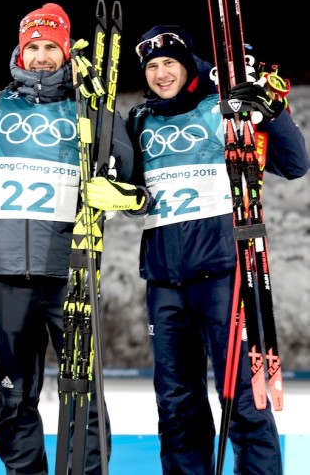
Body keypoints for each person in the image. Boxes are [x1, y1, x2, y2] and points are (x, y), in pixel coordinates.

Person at [87, 24, 310, 474]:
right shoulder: (139, 120)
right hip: (164, 281)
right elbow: (133, 194)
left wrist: (271, 111)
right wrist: (116, 195)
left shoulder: (221, 110)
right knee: (175, 403)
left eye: (169, 62)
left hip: (224, 275)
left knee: (245, 397)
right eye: (151, 66)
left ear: (187, 64)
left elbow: (295, 164)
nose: (161, 73)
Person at [0, 3, 150, 475]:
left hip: (72, 268)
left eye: (52, 47)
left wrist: (117, 190)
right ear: (20, 52)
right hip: (9, 271)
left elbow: (130, 177)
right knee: (14, 390)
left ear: (66, 51)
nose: (43, 56)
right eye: (34, 47)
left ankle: (86, 470)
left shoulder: (89, 107)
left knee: (83, 387)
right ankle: (23, 470)